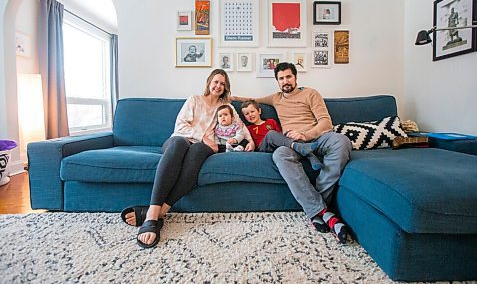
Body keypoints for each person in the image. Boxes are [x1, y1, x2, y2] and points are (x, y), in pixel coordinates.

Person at [120, 69, 254, 248]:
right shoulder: (194, 99)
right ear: (209, 82)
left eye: (222, 83)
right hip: (180, 139)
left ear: (225, 87)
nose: (218, 86)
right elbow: (180, 125)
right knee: (179, 144)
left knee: (199, 150)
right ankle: (152, 213)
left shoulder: (226, 106)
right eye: (216, 82)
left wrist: (250, 141)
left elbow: (240, 125)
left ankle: (162, 212)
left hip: (203, 147)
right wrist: (204, 137)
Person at [234, 63, 352, 242]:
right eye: (281, 78)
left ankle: (316, 207)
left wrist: (306, 134)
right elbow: (252, 99)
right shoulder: (276, 98)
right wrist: (230, 97)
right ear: (277, 81)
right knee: (279, 154)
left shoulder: (311, 93)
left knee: (342, 141)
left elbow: (326, 123)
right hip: (291, 143)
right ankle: (324, 212)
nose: (285, 81)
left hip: (316, 138)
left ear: (295, 77)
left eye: (288, 77)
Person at [241, 100, 323, 170]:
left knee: (291, 135)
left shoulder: (270, 122)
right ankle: (300, 147)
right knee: (271, 134)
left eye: (252, 111)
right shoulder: (247, 128)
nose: (250, 115)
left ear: (259, 111)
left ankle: (312, 158)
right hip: (262, 148)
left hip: (276, 146)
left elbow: (280, 135)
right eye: (246, 114)